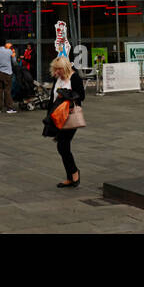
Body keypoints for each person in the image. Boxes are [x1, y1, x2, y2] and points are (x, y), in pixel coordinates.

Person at [43, 55, 86, 188]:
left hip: (70, 116)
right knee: (62, 146)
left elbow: (81, 96)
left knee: (62, 145)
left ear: (65, 68)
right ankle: (71, 176)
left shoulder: (74, 78)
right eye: (55, 70)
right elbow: (52, 99)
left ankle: (73, 174)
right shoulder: (57, 79)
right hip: (58, 117)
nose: (56, 72)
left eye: (59, 70)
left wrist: (66, 94)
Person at [0, 40, 17, 114]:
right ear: (5, 44)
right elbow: (14, 61)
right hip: (7, 73)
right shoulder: (9, 51)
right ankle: (9, 108)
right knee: (7, 91)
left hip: (0, 73)